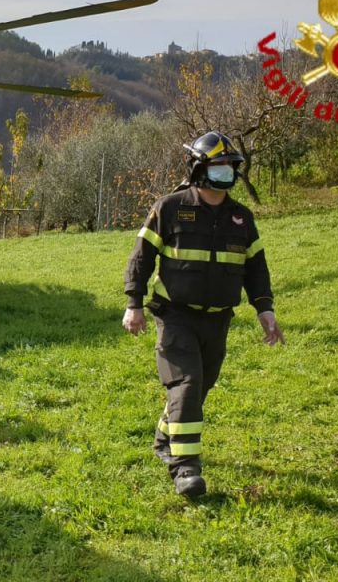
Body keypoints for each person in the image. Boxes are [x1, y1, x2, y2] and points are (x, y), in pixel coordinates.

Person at [123, 131, 284, 499]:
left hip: (218, 320)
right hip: (176, 316)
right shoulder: (170, 207)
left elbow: (256, 268)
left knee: (198, 389)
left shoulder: (241, 218)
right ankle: (186, 471)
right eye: (219, 165)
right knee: (187, 384)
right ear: (199, 168)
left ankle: (166, 438)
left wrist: (266, 310)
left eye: (230, 166)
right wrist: (133, 304)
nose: (226, 172)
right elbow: (141, 257)